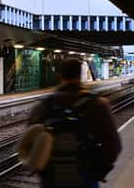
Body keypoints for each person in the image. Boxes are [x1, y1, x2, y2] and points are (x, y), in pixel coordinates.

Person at [27, 58, 121, 188]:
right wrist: (98, 171)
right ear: (80, 74)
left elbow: (29, 143)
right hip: (86, 178)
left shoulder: (43, 105)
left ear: (60, 75)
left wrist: (42, 169)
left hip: (51, 180)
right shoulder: (98, 104)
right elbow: (114, 145)